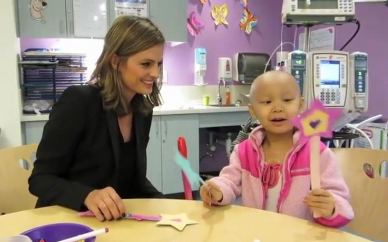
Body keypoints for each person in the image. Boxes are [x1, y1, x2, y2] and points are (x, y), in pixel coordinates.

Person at [28, 15, 165, 222]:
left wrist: (170, 207)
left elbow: (134, 181)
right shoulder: (79, 102)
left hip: (110, 222)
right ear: (116, 61)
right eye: (146, 64)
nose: (155, 73)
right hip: (67, 222)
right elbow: (40, 180)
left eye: (159, 64)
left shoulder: (142, 110)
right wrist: (88, 195)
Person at [200, 71, 354, 228]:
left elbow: (342, 202)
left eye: (287, 100)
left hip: (301, 241)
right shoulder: (243, 152)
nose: (277, 108)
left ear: (300, 105)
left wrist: (332, 207)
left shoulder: (317, 154)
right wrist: (217, 191)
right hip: (257, 239)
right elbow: (229, 182)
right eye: (267, 102)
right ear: (253, 110)